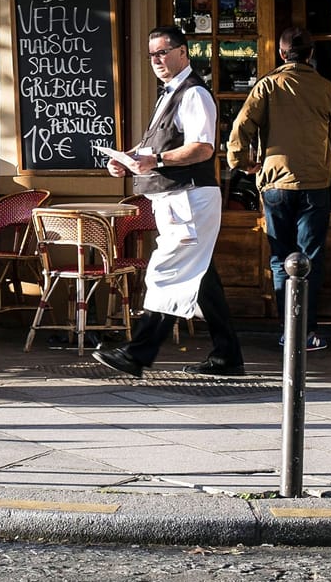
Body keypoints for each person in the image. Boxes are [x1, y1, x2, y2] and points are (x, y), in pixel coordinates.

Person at [93, 25, 246, 379]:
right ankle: (228, 356)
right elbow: (159, 146)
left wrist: (156, 162)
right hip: (175, 198)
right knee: (201, 276)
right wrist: (129, 158)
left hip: (189, 197)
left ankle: (138, 353)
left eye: (163, 52)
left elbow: (203, 147)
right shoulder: (169, 93)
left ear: (183, 52)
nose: (157, 60)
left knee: (168, 271)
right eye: (152, 55)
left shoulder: (193, 94)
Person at [224, 25, 331, 353]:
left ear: (281, 54)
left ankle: (286, 329)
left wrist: (240, 162)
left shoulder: (266, 87)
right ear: (310, 54)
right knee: (310, 258)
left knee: (281, 257)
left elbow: (241, 127)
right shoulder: (326, 89)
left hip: (275, 183)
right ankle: (306, 332)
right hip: (314, 183)